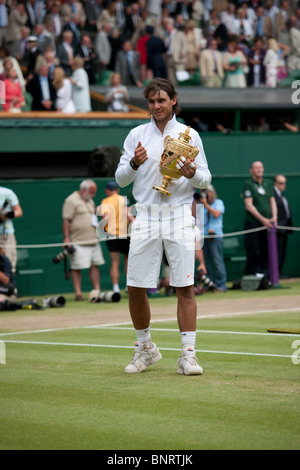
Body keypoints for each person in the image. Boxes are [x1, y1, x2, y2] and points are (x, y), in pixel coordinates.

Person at [115, 78, 211, 375]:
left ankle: (188, 355)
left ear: (173, 100)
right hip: (144, 216)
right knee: (135, 288)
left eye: (161, 100)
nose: (156, 106)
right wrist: (133, 164)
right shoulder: (136, 134)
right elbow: (120, 180)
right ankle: (145, 348)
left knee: (185, 286)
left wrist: (192, 173)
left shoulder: (189, 134)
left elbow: (205, 180)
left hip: (179, 214)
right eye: (151, 101)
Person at [62, 179, 105, 301]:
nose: (93, 195)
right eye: (92, 192)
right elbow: (66, 220)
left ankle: (97, 290)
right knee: (76, 267)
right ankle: (78, 293)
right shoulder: (71, 200)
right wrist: (66, 238)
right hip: (78, 240)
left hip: (93, 239)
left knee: (95, 265)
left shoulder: (89, 200)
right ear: (84, 190)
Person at [98, 181, 134, 295]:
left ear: (108, 190)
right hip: (125, 233)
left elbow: (105, 217)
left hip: (112, 234)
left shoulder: (105, 201)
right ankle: (129, 286)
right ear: (117, 189)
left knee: (115, 262)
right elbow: (129, 213)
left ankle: (116, 288)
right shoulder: (124, 199)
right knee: (127, 260)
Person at [243, 161, 277, 277]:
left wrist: (274, 217)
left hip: (267, 224)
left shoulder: (267, 184)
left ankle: (266, 276)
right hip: (253, 224)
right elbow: (249, 205)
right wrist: (263, 220)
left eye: (261, 167)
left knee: (266, 249)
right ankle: (253, 276)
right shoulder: (248, 184)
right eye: (256, 168)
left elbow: (272, 201)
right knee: (253, 249)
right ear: (251, 171)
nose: (259, 170)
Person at [201, 185, 227, 292]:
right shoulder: (199, 205)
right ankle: (209, 284)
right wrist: (196, 203)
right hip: (203, 236)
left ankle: (221, 285)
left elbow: (216, 214)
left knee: (217, 261)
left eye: (207, 192)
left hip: (215, 236)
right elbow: (193, 215)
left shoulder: (218, 203)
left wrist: (206, 204)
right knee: (205, 263)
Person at [273, 175, 293, 278]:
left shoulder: (281, 195)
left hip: (284, 227)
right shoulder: (273, 194)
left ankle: (279, 271)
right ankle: (275, 273)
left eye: (284, 183)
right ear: (275, 183)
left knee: (281, 251)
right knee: (276, 251)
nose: (283, 185)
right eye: (281, 183)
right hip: (277, 228)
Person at [0, 186, 23, 273]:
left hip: (6, 234)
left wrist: (8, 214)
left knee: (9, 264)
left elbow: (19, 211)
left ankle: (10, 286)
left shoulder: (8, 193)